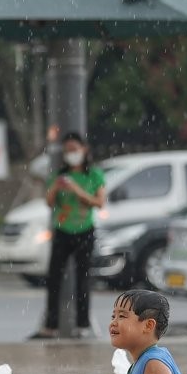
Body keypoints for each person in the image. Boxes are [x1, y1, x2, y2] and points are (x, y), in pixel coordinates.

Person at [30, 132, 106, 340]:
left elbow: (99, 202)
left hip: (85, 230)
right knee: (54, 278)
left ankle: (82, 325)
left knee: (83, 279)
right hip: (62, 230)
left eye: (75, 150)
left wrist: (77, 189)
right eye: (67, 151)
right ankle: (51, 325)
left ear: (84, 150)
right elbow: (49, 202)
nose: (71, 154)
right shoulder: (59, 175)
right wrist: (56, 187)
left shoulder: (94, 175)